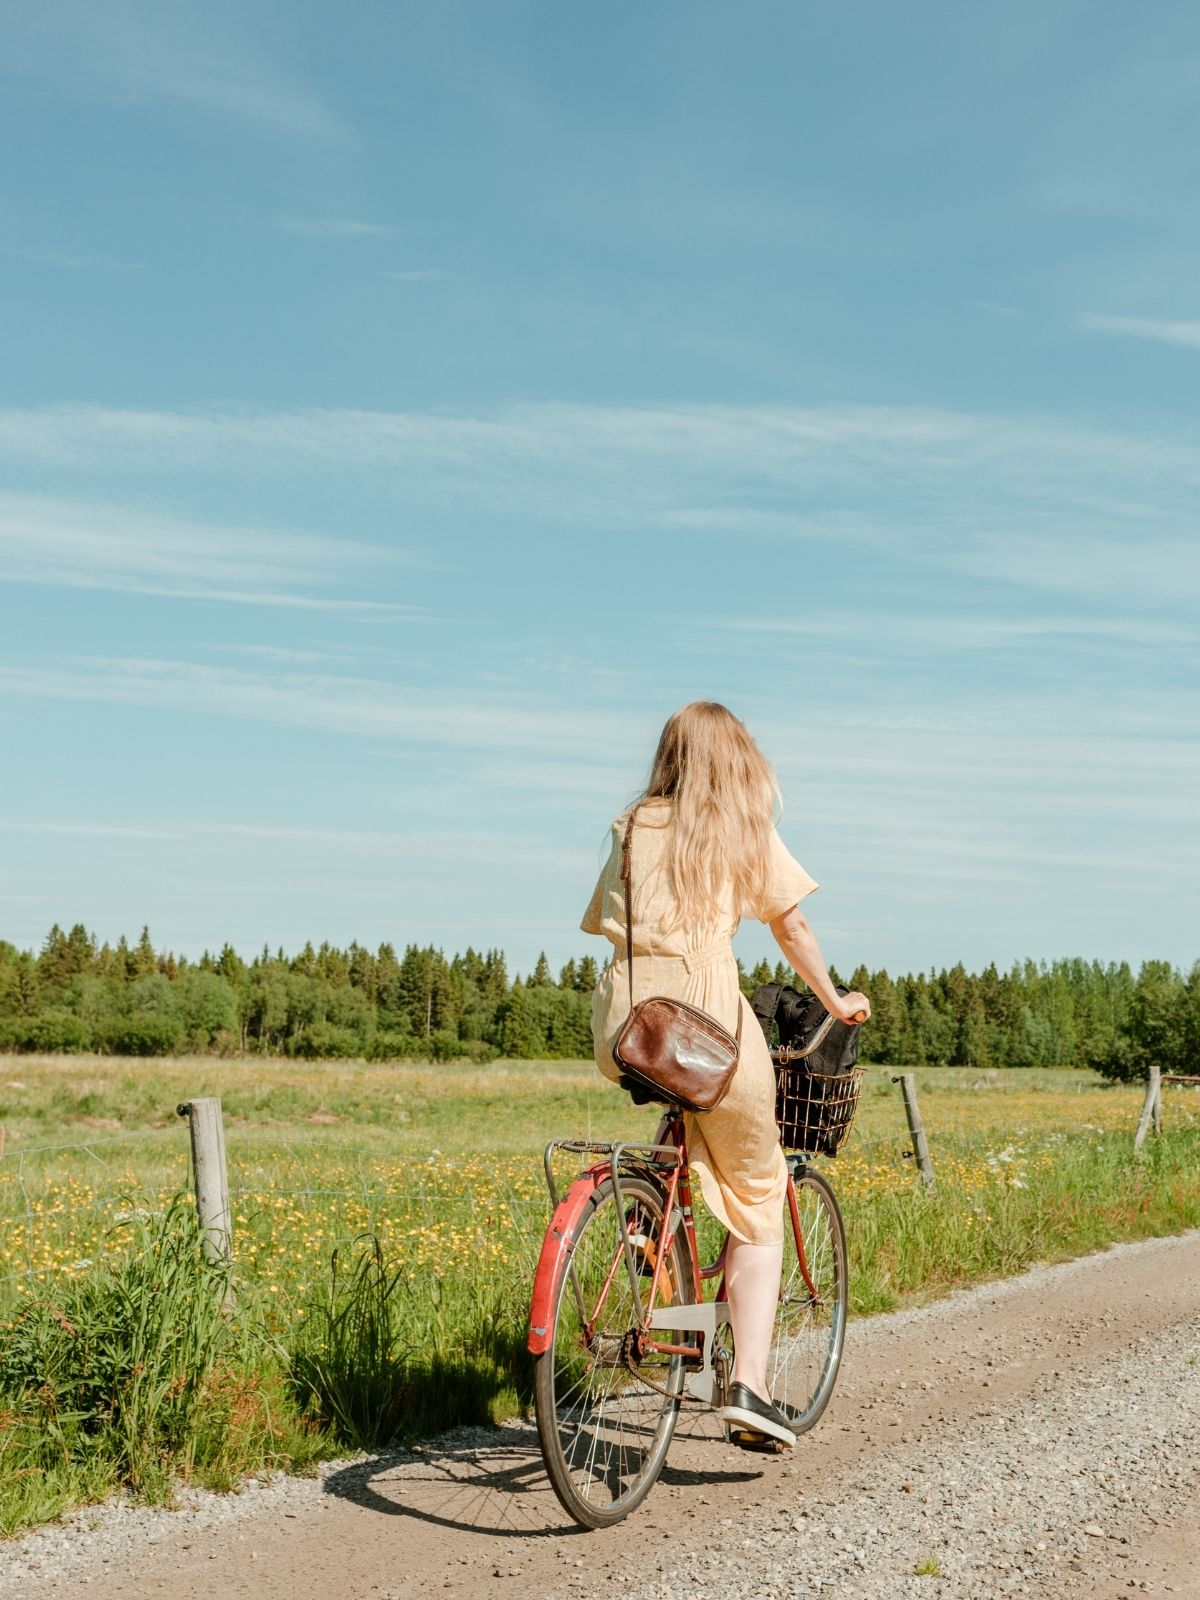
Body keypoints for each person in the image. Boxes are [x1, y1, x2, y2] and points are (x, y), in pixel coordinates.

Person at [580, 700, 869, 1447]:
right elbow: (790, 923)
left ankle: (655, 1229)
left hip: (627, 1024)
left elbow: (607, 921)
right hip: (705, 1027)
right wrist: (835, 999)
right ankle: (750, 1387)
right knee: (758, 1192)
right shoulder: (738, 827)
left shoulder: (632, 825)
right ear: (733, 760)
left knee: (683, 1132)